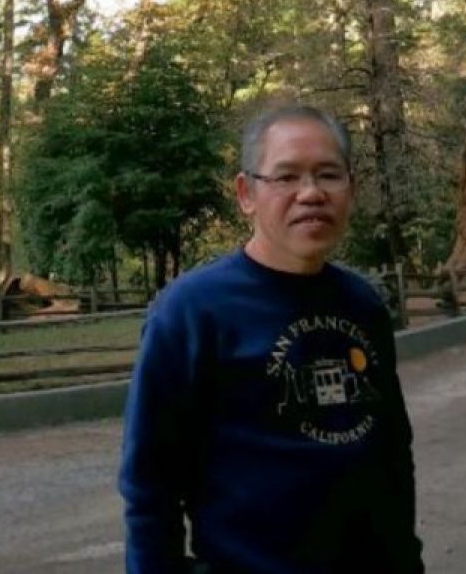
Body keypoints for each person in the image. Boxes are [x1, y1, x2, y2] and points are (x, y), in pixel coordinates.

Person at [119, 105, 424, 574]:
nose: (311, 194)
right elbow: (149, 483)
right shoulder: (193, 311)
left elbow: (392, 454)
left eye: (329, 175)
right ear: (246, 193)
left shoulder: (362, 305)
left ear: (351, 189)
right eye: (286, 177)